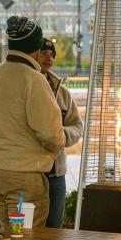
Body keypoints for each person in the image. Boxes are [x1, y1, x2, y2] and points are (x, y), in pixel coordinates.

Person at [0, 16, 65, 231]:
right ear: (36, 47)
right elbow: (52, 133)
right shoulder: (34, 80)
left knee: (1, 239)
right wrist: (53, 151)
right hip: (24, 177)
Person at [36, 38, 84, 229]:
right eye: (44, 53)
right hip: (31, 172)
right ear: (33, 54)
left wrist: (59, 134)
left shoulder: (62, 93)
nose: (49, 58)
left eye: (52, 54)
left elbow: (77, 126)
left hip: (56, 176)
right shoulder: (26, 86)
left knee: (54, 230)